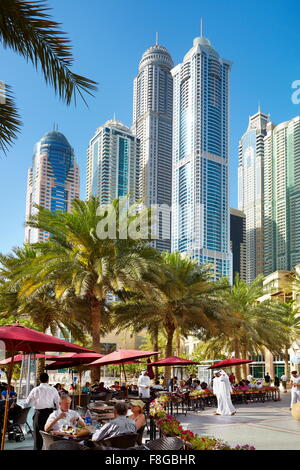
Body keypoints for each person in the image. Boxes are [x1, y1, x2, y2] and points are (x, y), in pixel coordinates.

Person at [26, 372, 60, 450]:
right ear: (48, 380)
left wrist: (36, 403)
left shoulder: (35, 390)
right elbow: (58, 403)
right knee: (51, 437)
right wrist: (58, 414)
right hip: (50, 415)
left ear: (40, 380)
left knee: (38, 438)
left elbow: (28, 402)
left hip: (39, 414)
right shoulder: (53, 389)